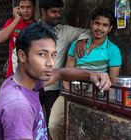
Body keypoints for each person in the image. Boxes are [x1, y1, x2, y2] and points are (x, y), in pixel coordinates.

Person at [0, 22, 111, 140]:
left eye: (53, 55)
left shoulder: (19, 82)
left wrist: (93, 75)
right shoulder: (18, 106)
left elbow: (60, 73)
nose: (51, 63)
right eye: (42, 54)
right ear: (22, 56)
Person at [49, 7, 122, 140]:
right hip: (71, 92)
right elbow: (66, 74)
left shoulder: (113, 50)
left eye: (105, 25)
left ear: (110, 29)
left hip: (97, 96)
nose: (100, 28)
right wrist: (69, 92)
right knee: (54, 125)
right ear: (91, 24)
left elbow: (112, 81)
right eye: (97, 23)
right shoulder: (77, 45)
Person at [38, 0, 91, 128]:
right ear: (43, 11)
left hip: (53, 87)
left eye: (60, 12)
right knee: (33, 122)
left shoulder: (65, 31)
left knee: (53, 124)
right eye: (54, 12)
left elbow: (88, 31)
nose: (58, 15)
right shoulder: (31, 31)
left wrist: (81, 40)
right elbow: (18, 55)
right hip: (33, 86)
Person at [0, 0, 35, 78]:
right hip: (12, 72)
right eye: (22, 7)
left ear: (34, 8)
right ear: (17, 9)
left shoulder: (37, 25)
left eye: (28, 7)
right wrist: (17, 19)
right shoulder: (12, 22)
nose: (25, 10)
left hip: (30, 73)